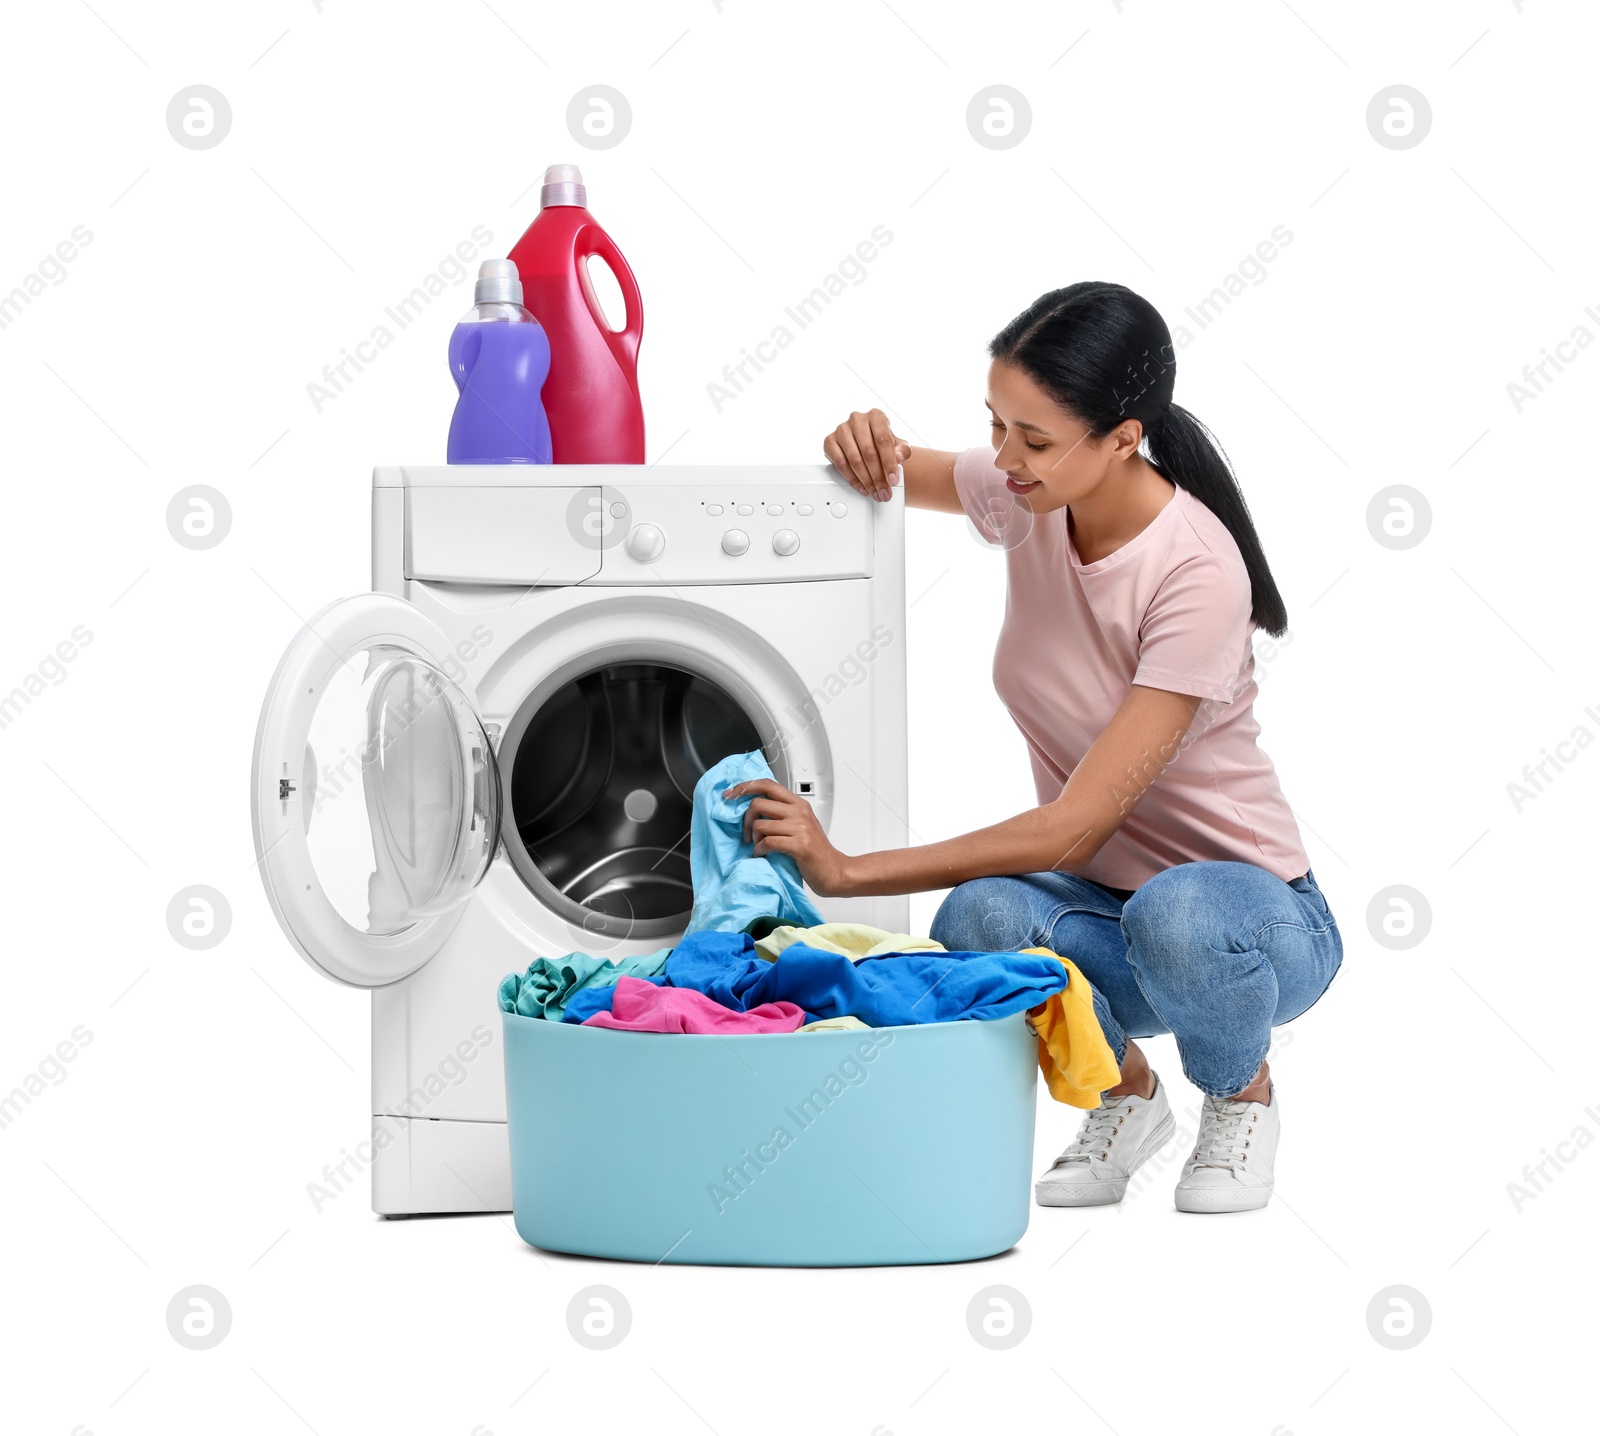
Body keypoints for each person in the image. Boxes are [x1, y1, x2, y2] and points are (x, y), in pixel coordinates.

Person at [725, 281, 1342, 1214]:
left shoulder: (1196, 572)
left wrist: (849, 871)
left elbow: (1073, 825)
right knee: (975, 923)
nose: (1004, 458)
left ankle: (1240, 1096)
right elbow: (895, 470)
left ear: (1125, 438)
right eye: (995, 424)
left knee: (1175, 913)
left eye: (1035, 439)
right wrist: (862, 443)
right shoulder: (1034, 493)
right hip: (1106, 917)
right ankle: (1126, 1098)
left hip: (1254, 929)